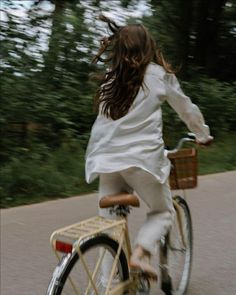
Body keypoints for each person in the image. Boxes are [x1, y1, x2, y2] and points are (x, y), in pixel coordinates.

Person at [85, 15, 213, 281]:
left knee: (108, 227)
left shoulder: (110, 78)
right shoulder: (158, 75)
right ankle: (140, 255)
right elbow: (186, 109)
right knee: (162, 211)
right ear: (148, 48)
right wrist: (202, 135)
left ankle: (108, 286)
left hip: (105, 160)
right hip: (142, 161)